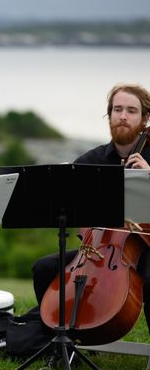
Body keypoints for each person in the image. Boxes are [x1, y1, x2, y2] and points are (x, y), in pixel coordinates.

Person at [32, 83, 150, 334]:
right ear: (109, 115)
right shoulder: (91, 161)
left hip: (145, 247)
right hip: (103, 249)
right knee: (44, 268)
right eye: (117, 109)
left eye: (131, 110)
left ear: (144, 118)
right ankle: (60, 345)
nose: (123, 116)